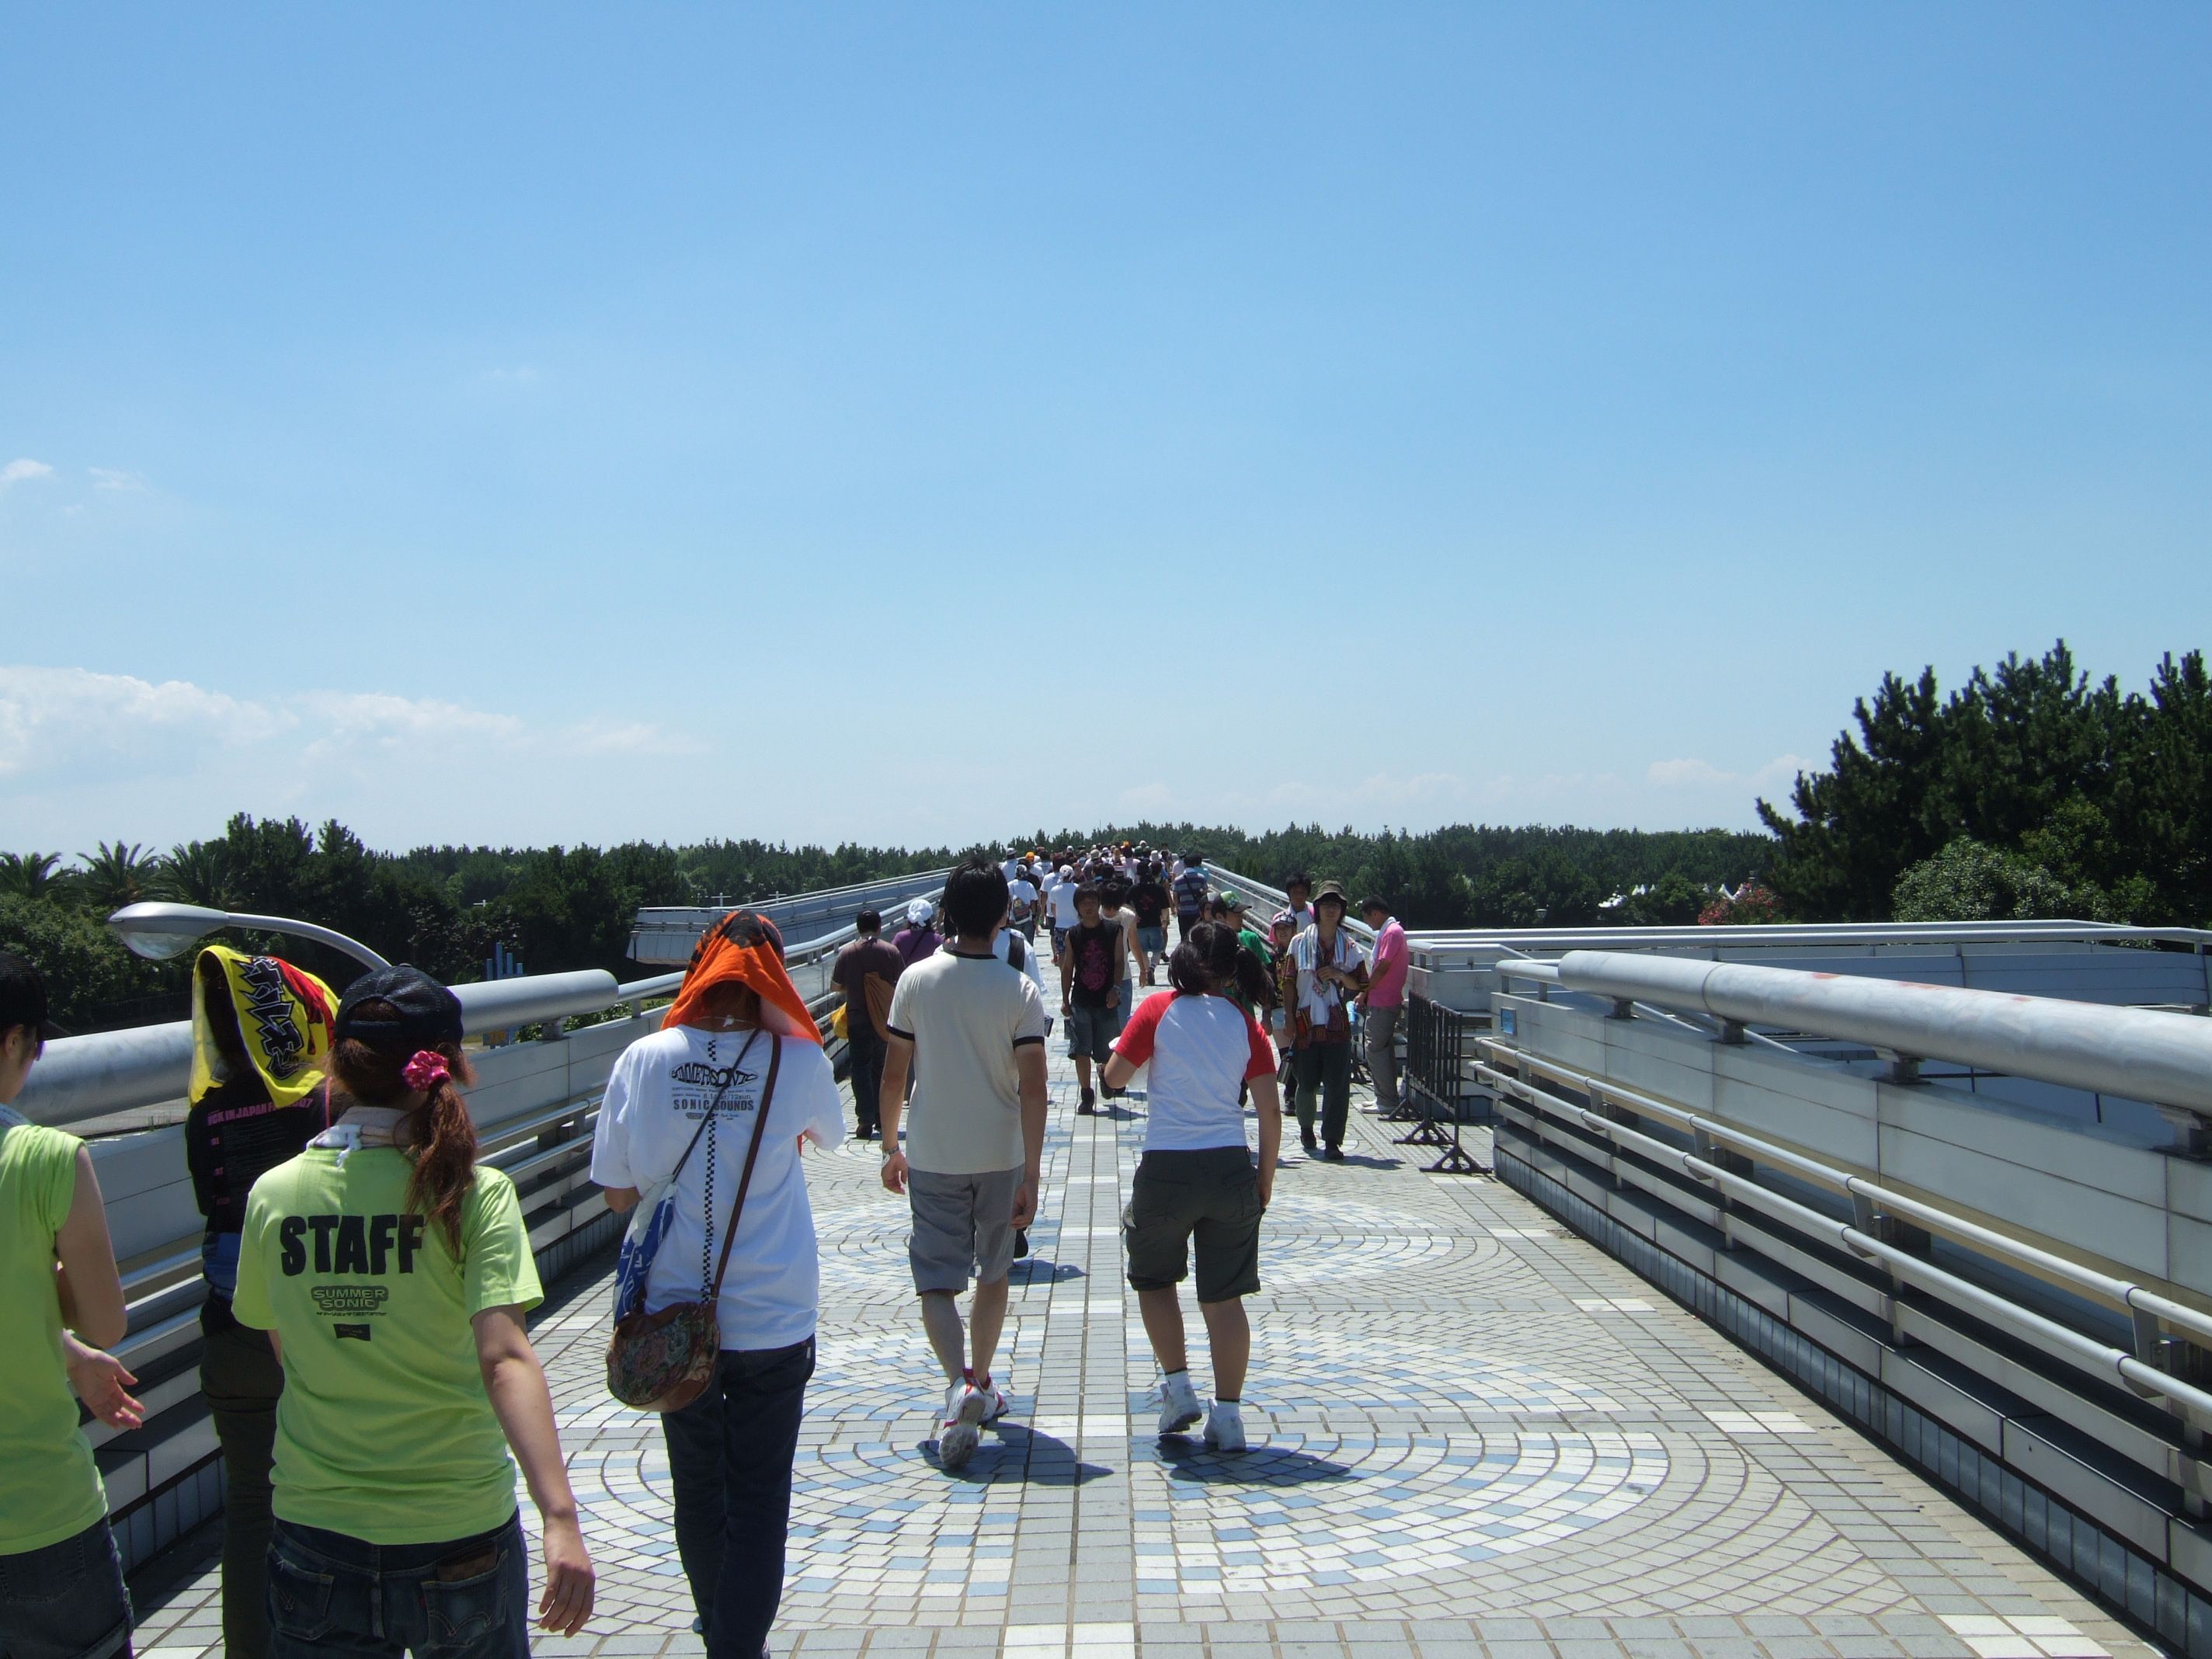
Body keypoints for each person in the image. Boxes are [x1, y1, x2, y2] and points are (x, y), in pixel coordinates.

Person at [232, 965, 594, 1659]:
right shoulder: (474, 1192)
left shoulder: (273, 1195)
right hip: (457, 1529)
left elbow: (289, 1347)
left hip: (316, 1529)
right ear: (449, 1067)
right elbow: (504, 1357)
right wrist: (559, 1515)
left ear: (340, 1063)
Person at [593, 911, 844, 1658]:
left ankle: (724, 1639)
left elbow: (614, 1192)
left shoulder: (643, 1058)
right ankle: (739, 1645)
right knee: (761, 1496)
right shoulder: (797, 1061)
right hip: (775, 1311)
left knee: (698, 1487)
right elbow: (830, 1138)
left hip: (674, 1315)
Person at [184, 948, 338, 1659]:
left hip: (229, 1327)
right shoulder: (318, 1100)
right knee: (331, 1508)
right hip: (314, 1330)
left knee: (249, 1507)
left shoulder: (205, 1113)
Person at [877, 859, 1049, 1471]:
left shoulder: (915, 982)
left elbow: (895, 1071)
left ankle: (960, 1385)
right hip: (999, 1153)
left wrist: (890, 1147)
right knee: (993, 1272)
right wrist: (1031, 1171)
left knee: (936, 1278)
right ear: (1006, 915)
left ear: (946, 913)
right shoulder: (1019, 990)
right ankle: (980, 1379)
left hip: (933, 1151)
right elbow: (1034, 1088)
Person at [2, 952, 142, 1659]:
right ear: (14, 1041)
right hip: (37, 1518)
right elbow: (107, 1319)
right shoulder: (48, 1158)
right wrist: (43, 1277)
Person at [1102, 924, 1281, 1452]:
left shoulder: (1158, 1011)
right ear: (1231, 970)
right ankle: (1228, 1418)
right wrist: (1264, 1179)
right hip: (1229, 1168)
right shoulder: (1245, 1024)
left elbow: (1113, 1077)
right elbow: (1269, 1111)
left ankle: (1179, 1388)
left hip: (1167, 1169)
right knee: (1225, 1300)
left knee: (1154, 1280)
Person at [1285, 884, 1367, 1160]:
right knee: (1306, 1082)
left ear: (1342, 910)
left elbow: (1362, 983)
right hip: (1306, 1020)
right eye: (1325, 904)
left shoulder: (1350, 947)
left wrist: (1339, 975)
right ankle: (1306, 1126)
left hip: (1336, 1023)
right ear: (1317, 908)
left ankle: (1332, 1139)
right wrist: (1288, 1017)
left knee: (1337, 1083)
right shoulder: (1299, 943)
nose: (1331, 910)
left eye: (1336, 905)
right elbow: (1287, 982)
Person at [1058, 885, 1131, 1115]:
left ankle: (1106, 1076)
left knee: (1106, 1049)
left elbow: (1119, 961)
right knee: (1081, 1048)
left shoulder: (1113, 930)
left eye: (1092, 901)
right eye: (1083, 903)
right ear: (1077, 907)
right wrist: (1064, 999)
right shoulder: (1073, 934)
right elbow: (1068, 966)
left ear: (1098, 903)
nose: (1088, 906)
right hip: (1081, 998)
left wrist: (1116, 989)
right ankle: (1086, 1094)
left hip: (1106, 999)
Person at [831, 910, 903, 1141]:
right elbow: (903, 983)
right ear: (879, 928)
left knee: (860, 1070)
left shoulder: (848, 952)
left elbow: (835, 986)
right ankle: (884, 1118)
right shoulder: (890, 951)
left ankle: (864, 1120)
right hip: (885, 1021)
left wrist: (854, 987)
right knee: (882, 1070)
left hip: (858, 1018)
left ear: (858, 928)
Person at [1359, 897, 1410, 1115]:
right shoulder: (1393, 931)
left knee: (1375, 1049)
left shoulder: (1391, 933)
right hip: (1386, 999)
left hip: (1383, 1000)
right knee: (1383, 1049)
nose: (1369, 925)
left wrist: (1364, 991)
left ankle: (1387, 1099)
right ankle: (1385, 1096)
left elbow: (1381, 966)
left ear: (1375, 914)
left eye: (1368, 919)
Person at [1131, 864, 1172, 987]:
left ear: (1138, 875)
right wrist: (1164, 921)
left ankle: (1147, 969)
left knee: (1143, 950)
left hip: (1140, 924)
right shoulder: (1158, 889)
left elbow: (1125, 903)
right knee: (1157, 950)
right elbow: (1165, 908)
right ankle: (1152, 969)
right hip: (1155, 923)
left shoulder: (1133, 889)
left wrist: (1134, 915)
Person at [892, 898, 941, 969]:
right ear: (929, 918)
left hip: (905, 976)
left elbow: (891, 957)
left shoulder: (900, 937)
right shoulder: (936, 938)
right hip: (929, 977)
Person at [1173, 855, 1209, 943]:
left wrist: (1177, 908)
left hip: (1184, 912)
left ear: (1184, 865)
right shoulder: (1201, 878)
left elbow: (1175, 895)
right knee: (1198, 936)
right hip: (1197, 912)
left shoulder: (1178, 880)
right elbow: (1206, 891)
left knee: (1184, 936)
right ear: (1194, 865)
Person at [1007, 866, 1041, 943]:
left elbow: (1008, 902)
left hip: (1014, 918)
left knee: (1016, 943)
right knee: (1028, 942)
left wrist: (1008, 917)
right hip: (1027, 917)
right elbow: (1033, 902)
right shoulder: (1029, 885)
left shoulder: (1010, 885)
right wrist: (1034, 916)